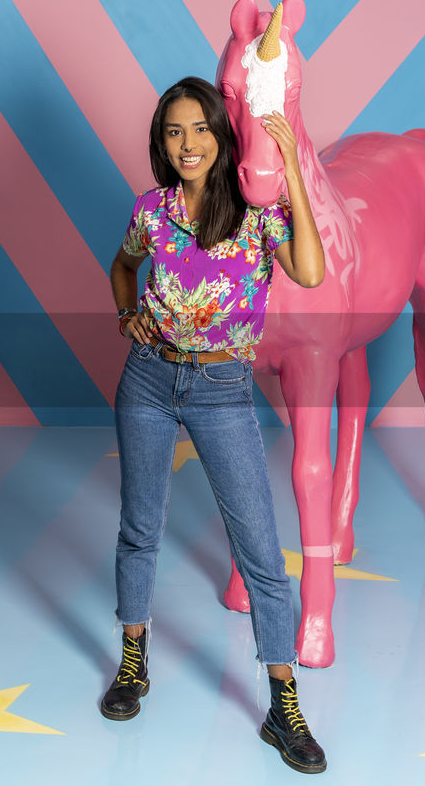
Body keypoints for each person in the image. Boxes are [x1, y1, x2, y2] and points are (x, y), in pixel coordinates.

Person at [103, 76, 327, 774]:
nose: (188, 143)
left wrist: (290, 168)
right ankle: (133, 659)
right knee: (140, 524)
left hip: (222, 387)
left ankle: (281, 702)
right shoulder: (152, 212)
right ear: (161, 144)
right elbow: (122, 267)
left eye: (200, 128)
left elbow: (312, 273)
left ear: (221, 136)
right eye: (174, 132)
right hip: (146, 378)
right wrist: (125, 315)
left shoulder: (259, 215)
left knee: (260, 549)